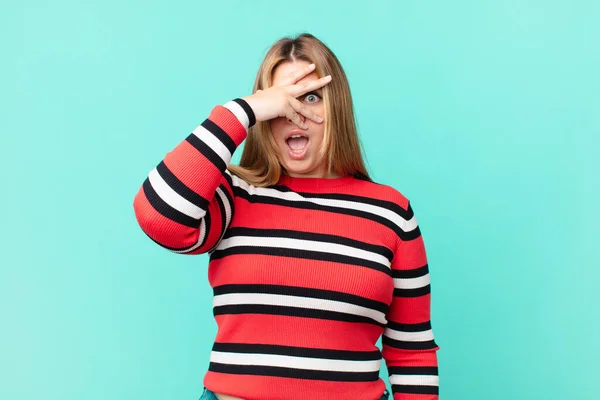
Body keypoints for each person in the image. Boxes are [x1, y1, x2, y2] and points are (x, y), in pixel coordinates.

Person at [133, 33, 440, 400]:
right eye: (282, 99)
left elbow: (412, 350)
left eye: (310, 97)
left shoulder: (390, 212)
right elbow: (158, 217)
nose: (295, 112)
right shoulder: (235, 195)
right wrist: (241, 111)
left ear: (336, 108)